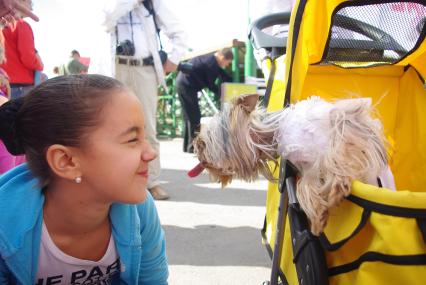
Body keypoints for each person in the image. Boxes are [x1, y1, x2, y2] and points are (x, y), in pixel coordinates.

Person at [0, 74, 169, 284]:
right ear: (67, 161)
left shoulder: (139, 211)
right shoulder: (5, 229)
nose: (151, 153)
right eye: (132, 139)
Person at [104, 0, 187, 200]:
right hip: (114, 67)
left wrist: (174, 59)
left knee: (148, 127)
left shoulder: (152, 3)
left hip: (145, 69)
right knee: (110, 128)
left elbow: (178, 31)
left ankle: (152, 182)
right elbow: (104, 21)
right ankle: (114, 180)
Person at [175, 48, 233, 153]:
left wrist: (230, 81)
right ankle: (192, 147)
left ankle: (187, 147)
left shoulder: (210, 60)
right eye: (227, 63)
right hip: (187, 86)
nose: (226, 65)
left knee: (189, 117)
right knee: (194, 117)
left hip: (183, 83)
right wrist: (222, 94)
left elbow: (221, 74)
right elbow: (210, 84)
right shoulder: (211, 63)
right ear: (222, 57)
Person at [0, 0, 43, 99]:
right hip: (21, 85)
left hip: (5, 83)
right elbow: (28, 58)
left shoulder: (3, 26)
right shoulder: (22, 25)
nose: (31, 8)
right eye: (30, 3)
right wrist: (40, 65)